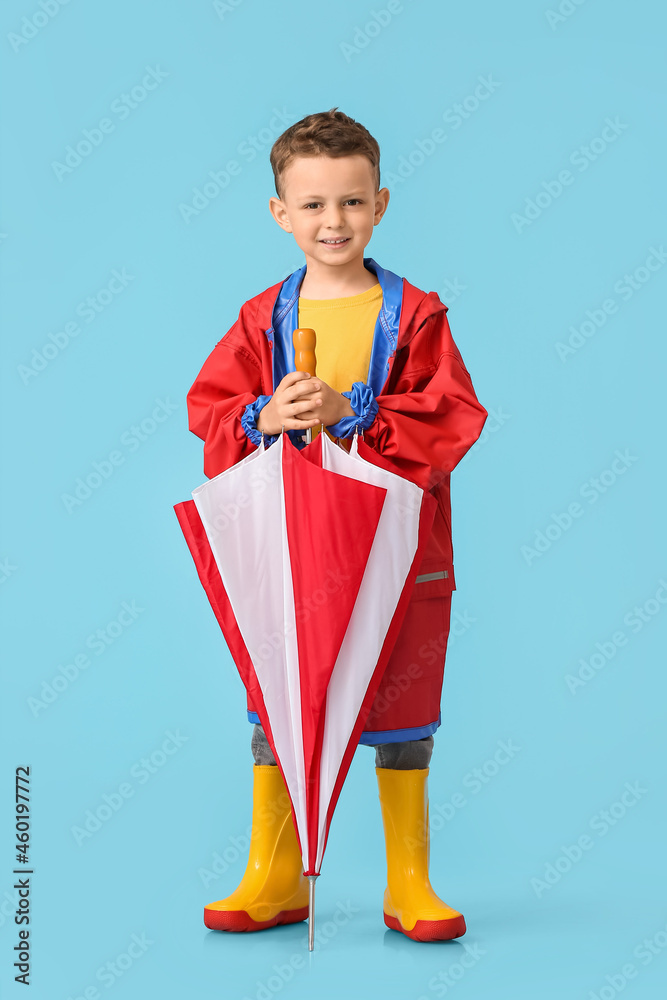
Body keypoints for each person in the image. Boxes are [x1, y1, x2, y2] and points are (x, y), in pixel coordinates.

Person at [186, 108, 487, 942]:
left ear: (380, 204)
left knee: (403, 709)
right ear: (280, 212)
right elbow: (210, 411)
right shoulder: (263, 318)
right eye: (313, 205)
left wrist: (354, 412)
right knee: (277, 704)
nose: (333, 222)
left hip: (398, 550)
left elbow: (450, 414)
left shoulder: (417, 314)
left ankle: (409, 884)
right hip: (294, 549)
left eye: (351, 203)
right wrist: (261, 413)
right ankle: (274, 875)